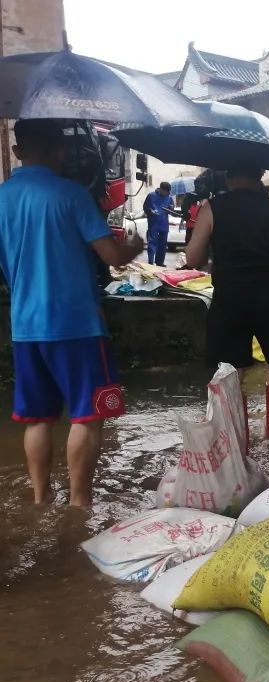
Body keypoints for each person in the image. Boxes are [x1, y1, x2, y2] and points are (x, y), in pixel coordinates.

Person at [0, 119, 142, 506]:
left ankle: (41, 499)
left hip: (25, 326)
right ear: (61, 150)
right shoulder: (72, 195)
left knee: (37, 417)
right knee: (86, 415)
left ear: (17, 152)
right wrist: (134, 244)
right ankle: (79, 505)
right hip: (76, 324)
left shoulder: (2, 197)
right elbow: (112, 258)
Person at [184, 164, 269, 444]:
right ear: (259, 177)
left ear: (227, 176)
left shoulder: (212, 208)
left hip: (230, 299)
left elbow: (193, 258)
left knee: (233, 372)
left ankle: (239, 442)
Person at [143, 181, 174, 267]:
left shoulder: (169, 198)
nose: (167, 193)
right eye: (166, 191)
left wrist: (171, 209)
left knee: (163, 245)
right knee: (152, 243)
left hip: (164, 224)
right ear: (161, 189)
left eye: (168, 192)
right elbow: (145, 207)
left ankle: (160, 262)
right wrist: (150, 211)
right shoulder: (151, 196)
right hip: (153, 223)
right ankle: (151, 261)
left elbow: (172, 211)